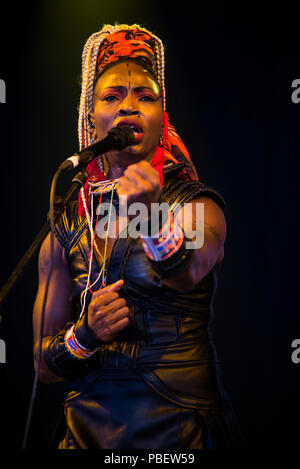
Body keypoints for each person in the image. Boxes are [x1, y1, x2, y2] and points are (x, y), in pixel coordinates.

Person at [33, 23, 242, 449]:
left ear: (161, 114)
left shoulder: (195, 204)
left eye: (145, 97)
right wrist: (85, 335)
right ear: (92, 115)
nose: (129, 106)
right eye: (112, 96)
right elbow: (43, 365)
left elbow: (187, 272)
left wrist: (148, 212)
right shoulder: (67, 226)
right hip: (85, 428)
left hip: (179, 424)